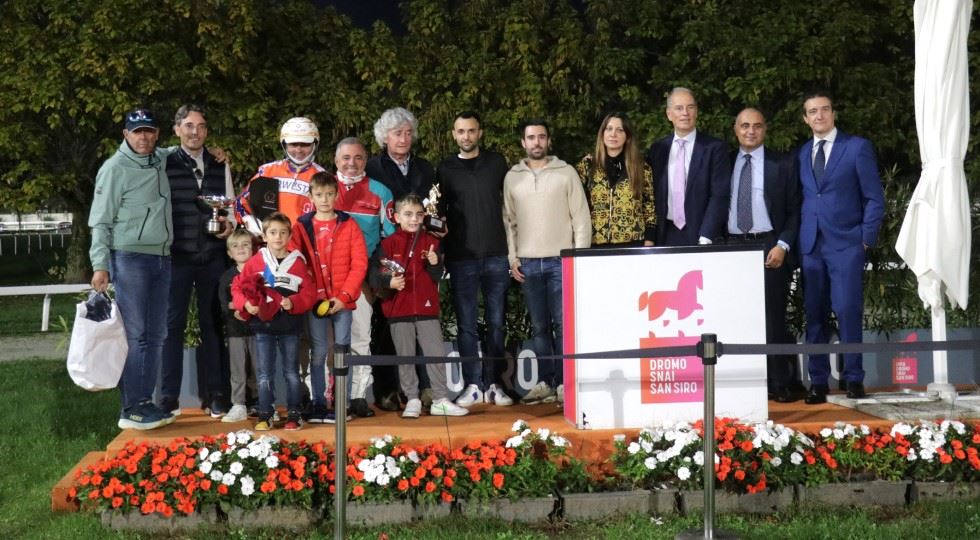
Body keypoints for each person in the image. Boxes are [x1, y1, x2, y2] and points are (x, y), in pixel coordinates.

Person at [89, 107, 175, 430]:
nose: (143, 137)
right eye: (137, 131)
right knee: (136, 334)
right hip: (129, 258)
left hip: (161, 258)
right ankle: (131, 407)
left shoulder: (160, 159)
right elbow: (100, 220)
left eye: (149, 131)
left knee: (157, 335)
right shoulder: (114, 169)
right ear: (125, 134)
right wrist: (100, 264)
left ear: (156, 133)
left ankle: (145, 401)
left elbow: (185, 148)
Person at [797, 91, 884, 404]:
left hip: (847, 244)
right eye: (812, 111)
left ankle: (853, 378)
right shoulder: (802, 152)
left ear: (833, 113)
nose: (819, 115)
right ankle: (818, 382)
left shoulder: (856, 147)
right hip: (811, 246)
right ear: (805, 119)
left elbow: (874, 197)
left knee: (847, 311)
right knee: (814, 316)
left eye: (824, 109)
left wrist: (865, 238)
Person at [504, 119, 591, 405]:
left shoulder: (566, 173)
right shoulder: (512, 177)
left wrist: (578, 259)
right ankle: (546, 382)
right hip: (528, 263)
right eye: (531, 138)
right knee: (539, 328)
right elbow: (509, 222)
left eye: (541, 137)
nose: (536, 142)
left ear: (549, 141)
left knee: (564, 325)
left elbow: (581, 219)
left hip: (560, 261)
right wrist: (512, 257)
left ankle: (567, 383)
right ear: (523, 143)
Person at [159, 104, 237, 418]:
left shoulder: (220, 163)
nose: (195, 132)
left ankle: (216, 394)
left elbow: (229, 207)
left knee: (214, 324)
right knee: (170, 326)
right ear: (177, 129)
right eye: (189, 126)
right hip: (176, 257)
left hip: (212, 256)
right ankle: (167, 397)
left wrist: (228, 227)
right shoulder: (162, 161)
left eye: (201, 126)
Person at [725, 108, 802, 403]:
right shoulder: (724, 164)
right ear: (736, 129)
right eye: (744, 125)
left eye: (757, 126)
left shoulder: (781, 164)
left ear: (765, 129)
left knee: (772, 319)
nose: (750, 131)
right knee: (735, 319)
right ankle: (742, 385)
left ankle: (779, 382)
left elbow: (796, 209)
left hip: (769, 245)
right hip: (731, 247)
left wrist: (783, 244)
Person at [436, 111, 513, 407]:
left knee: (496, 323)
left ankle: (494, 383)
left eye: (471, 130)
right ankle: (471, 385)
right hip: (460, 258)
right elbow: (438, 213)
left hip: (496, 254)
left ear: (480, 132)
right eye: (461, 131)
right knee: (466, 325)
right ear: (454, 134)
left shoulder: (497, 163)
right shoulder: (444, 169)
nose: (466, 136)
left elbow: (509, 206)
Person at [369, 194, 469, 418]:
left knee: (435, 354)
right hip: (398, 310)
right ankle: (412, 399)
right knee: (405, 357)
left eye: (418, 214)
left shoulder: (431, 242)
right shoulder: (387, 244)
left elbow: (436, 275)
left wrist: (435, 264)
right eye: (408, 214)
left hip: (426, 309)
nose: (413, 219)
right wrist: (389, 282)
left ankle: (440, 398)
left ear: (424, 216)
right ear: (396, 217)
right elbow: (375, 276)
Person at [365, 107, 435, 410]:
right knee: (387, 325)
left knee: (422, 325)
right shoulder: (371, 168)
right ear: (384, 138)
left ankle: (426, 388)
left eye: (408, 132)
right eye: (397, 133)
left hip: (420, 252)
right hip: (388, 252)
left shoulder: (425, 167)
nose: (404, 138)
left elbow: (433, 209)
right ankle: (387, 390)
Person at [289, 172, 368, 423]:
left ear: (337, 195)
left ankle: (342, 402)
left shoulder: (349, 224)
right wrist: (310, 294)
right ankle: (319, 403)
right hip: (315, 302)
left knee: (342, 351)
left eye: (329, 194)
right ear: (311, 196)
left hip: (342, 302)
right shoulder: (301, 226)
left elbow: (359, 264)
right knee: (319, 352)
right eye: (319, 195)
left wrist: (344, 297)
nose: (324, 199)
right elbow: (295, 262)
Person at [231, 212, 316, 430]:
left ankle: (294, 415)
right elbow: (237, 287)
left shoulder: (298, 262)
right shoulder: (256, 261)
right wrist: (245, 305)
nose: (278, 237)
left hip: (290, 327)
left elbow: (310, 294)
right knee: (264, 374)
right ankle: (266, 414)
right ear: (265, 236)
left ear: (289, 236)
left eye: (283, 233)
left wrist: (294, 302)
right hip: (262, 327)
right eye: (273, 233)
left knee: (291, 373)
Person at [332, 137, 397, 417]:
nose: (351, 163)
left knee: (360, 338)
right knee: (323, 344)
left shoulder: (381, 192)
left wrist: (376, 278)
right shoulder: (322, 188)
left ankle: (358, 396)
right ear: (336, 160)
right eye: (346, 157)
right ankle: (323, 395)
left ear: (366, 160)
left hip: (360, 280)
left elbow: (391, 241)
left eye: (358, 158)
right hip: (327, 280)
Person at [646, 87, 730, 246]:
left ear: (696, 112)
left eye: (690, 107)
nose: (685, 113)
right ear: (669, 114)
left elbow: (719, 195)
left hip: (703, 236)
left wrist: (706, 236)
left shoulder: (714, 148)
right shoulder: (658, 149)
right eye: (679, 108)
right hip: (666, 235)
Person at [575, 112, 655, 246]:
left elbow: (649, 205)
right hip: (595, 243)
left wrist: (649, 240)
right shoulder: (587, 166)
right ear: (602, 133)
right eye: (609, 129)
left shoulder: (641, 167)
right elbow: (575, 205)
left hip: (633, 243)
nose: (613, 134)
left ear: (627, 136)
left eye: (620, 130)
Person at [235, 116, 326, 233]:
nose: (298, 150)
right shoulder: (267, 171)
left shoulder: (322, 177)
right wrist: (247, 219)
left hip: (303, 246)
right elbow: (240, 202)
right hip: (268, 243)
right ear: (284, 144)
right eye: (293, 144)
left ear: (315, 144)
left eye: (304, 144)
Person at [217, 229, 258, 423]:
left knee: (261, 368)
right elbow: (225, 304)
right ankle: (239, 404)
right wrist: (235, 309)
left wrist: (242, 304)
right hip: (235, 331)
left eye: (245, 245)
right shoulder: (227, 277)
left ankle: (264, 403)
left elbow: (265, 299)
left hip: (259, 330)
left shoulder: (260, 273)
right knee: (238, 369)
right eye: (235, 246)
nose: (240, 249)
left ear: (253, 248)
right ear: (229, 253)